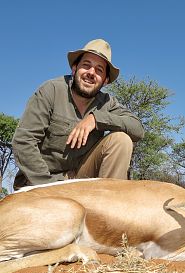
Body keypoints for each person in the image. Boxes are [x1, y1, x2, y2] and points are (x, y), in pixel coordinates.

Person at [12, 39, 144, 189]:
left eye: (99, 70)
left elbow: (138, 129)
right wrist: (48, 187)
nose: (91, 73)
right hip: (41, 181)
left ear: (105, 81)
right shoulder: (51, 90)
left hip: (79, 180)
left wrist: (96, 119)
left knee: (121, 140)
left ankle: (105, 205)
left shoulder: (107, 103)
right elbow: (23, 140)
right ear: (74, 68)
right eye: (86, 65)